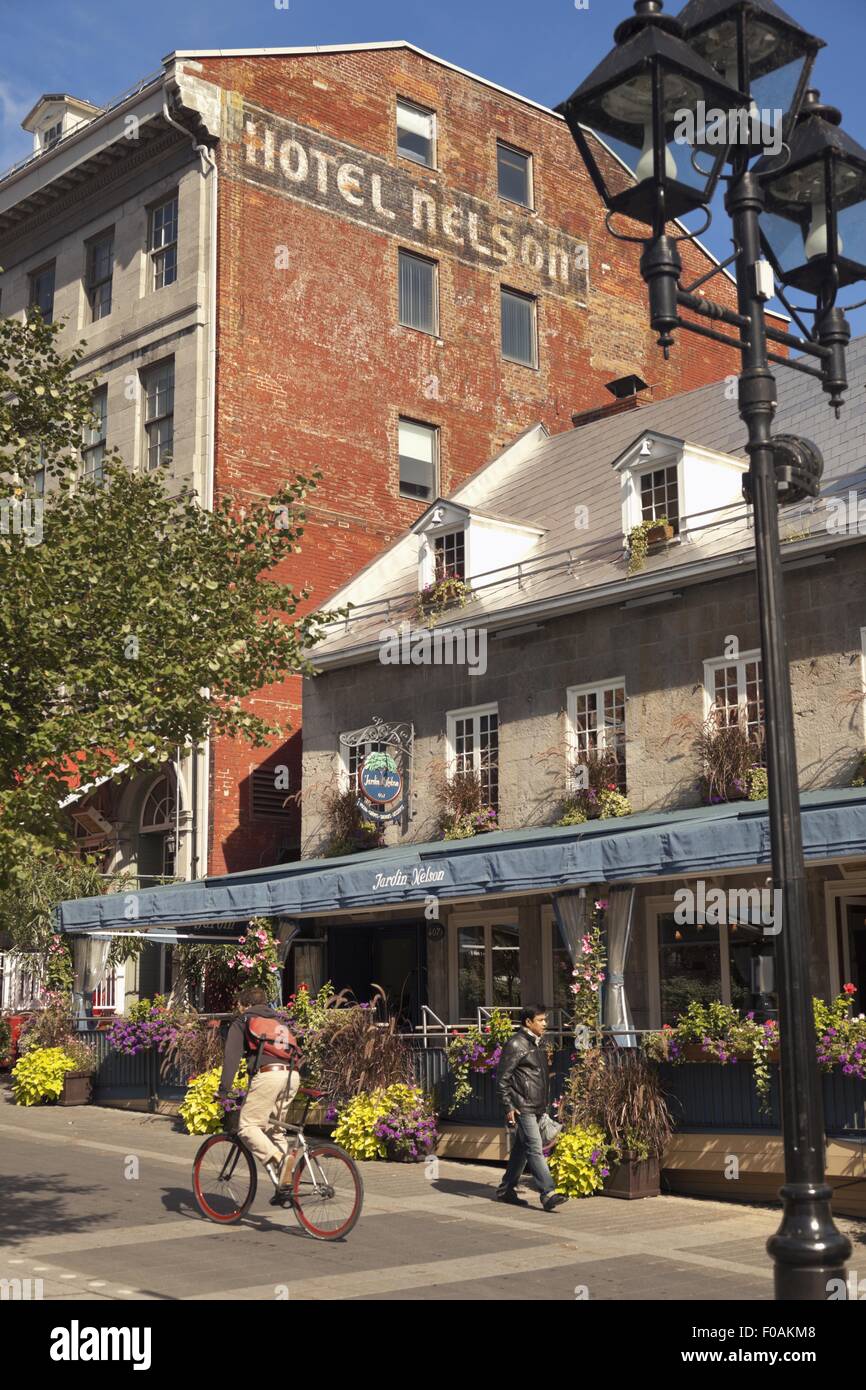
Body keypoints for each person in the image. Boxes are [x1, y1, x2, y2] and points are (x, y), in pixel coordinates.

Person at [218, 984, 301, 1204]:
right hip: (292, 1076)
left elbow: (232, 1057)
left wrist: (224, 1091)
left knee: (247, 1127)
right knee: (275, 1130)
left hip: (269, 1076)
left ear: (244, 1005)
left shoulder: (243, 1020)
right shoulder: (279, 1021)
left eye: (238, 1005)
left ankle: (280, 1160)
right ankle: (286, 1185)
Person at [495, 1004, 567, 1211]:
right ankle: (548, 1192)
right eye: (541, 1020)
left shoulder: (536, 1043)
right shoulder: (516, 1044)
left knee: (522, 1149)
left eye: (545, 1020)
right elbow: (502, 1079)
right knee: (534, 1148)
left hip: (536, 1106)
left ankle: (506, 1189)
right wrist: (508, 1105)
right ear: (528, 1022)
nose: (545, 1024)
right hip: (522, 1106)